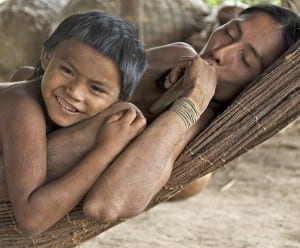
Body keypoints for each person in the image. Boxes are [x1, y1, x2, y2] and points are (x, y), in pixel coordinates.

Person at [1, 4, 299, 234]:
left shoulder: (199, 124)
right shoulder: (176, 55)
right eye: (229, 33)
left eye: (245, 60)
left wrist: (191, 102)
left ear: (257, 84)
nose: (221, 52)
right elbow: (62, 76)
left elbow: (105, 204)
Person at [0, 11, 147, 235]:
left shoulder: (36, 87)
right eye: (67, 71)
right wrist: (106, 150)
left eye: (96, 88)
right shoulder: (23, 106)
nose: (75, 92)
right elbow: (31, 220)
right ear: (47, 57)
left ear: (118, 98)